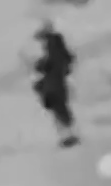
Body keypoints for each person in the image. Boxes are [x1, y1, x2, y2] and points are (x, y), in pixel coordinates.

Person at [29, 19, 81, 148]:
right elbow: (65, 63)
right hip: (57, 86)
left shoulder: (53, 48)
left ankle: (67, 136)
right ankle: (69, 135)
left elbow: (49, 64)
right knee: (61, 110)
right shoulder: (60, 52)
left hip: (52, 87)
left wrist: (39, 67)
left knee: (59, 111)